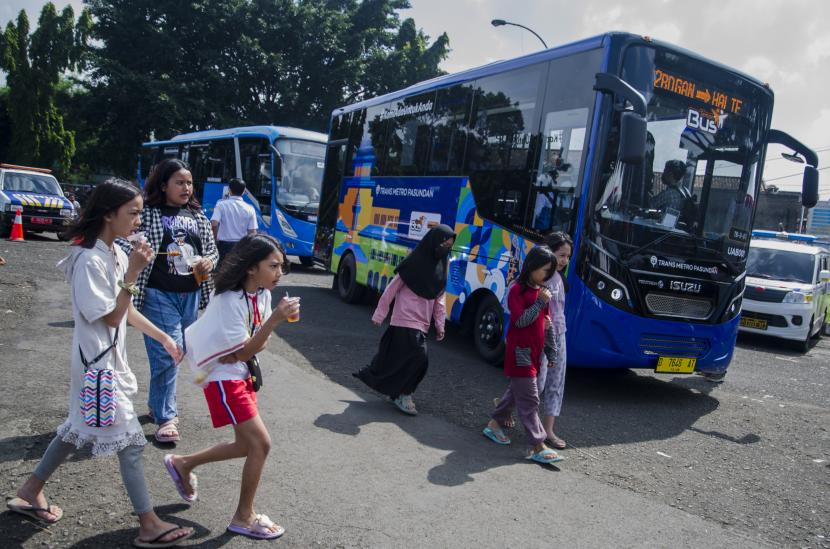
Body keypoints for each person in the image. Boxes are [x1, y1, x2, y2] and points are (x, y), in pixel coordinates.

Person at [6, 179, 194, 547]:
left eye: (140, 212)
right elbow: (109, 317)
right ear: (109, 213)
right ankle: (149, 524)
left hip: (105, 362)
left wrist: (165, 337)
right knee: (132, 444)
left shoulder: (115, 252)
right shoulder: (89, 257)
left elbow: (126, 314)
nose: (139, 220)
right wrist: (133, 274)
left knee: (73, 429)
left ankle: (30, 491)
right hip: (96, 366)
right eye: (133, 212)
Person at [164, 234, 298, 540]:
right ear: (252, 268)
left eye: (282, 266)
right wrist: (272, 324)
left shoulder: (262, 295)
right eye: (273, 265)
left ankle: (183, 463)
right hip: (223, 378)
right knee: (261, 444)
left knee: (244, 445)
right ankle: (243, 517)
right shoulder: (229, 299)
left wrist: (255, 339)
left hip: (239, 372)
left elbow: (253, 347)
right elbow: (249, 348)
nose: (280, 272)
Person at [121, 158, 219, 443]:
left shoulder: (199, 216)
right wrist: (136, 246)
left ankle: (155, 406)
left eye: (189, 183)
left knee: (174, 354)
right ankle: (167, 418)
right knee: (169, 352)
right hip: (157, 294)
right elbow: (128, 238)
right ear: (163, 185)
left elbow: (212, 251)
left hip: (191, 296)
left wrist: (208, 264)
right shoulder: (149, 212)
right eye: (179, 182)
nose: (186, 188)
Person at [353, 224, 455, 415]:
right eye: (444, 243)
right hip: (404, 319)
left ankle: (397, 392)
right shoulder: (413, 263)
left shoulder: (441, 272)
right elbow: (391, 289)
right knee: (420, 358)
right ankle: (405, 394)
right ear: (434, 242)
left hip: (422, 324)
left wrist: (440, 325)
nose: (446, 248)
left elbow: (440, 302)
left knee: (402, 360)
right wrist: (380, 313)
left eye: (449, 246)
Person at [483, 245, 563, 465]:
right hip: (520, 352)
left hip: (536, 354)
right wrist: (540, 303)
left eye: (550, 271)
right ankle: (538, 444)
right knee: (529, 398)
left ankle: (494, 425)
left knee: (516, 393)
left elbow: (547, 326)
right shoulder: (517, 289)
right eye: (545, 270)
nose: (547, 275)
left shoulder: (542, 293)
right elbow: (520, 320)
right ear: (532, 266)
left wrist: (552, 351)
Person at [536, 232, 573, 449]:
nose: (564, 261)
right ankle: (504, 411)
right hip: (540, 336)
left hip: (559, 335)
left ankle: (548, 430)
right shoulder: (539, 276)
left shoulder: (560, 279)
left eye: (567, 256)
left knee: (555, 384)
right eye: (561, 255)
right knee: (536, 383)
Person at [211, 178, 258, 262]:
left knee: (222, 271)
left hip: (223, 246)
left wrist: (214, 241)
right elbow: (252, 232)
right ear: (244, 191)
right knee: (238, 272)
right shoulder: (250, 208)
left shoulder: (221, 205)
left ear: (229, 190)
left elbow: (214, 224)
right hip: (241, 245)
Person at [650, 159, 687, 225]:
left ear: (670, 174)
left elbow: (649, 206)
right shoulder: (685, 192)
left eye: (664, 171)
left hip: (663, 231)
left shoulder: (668, 194)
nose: (663, 174)